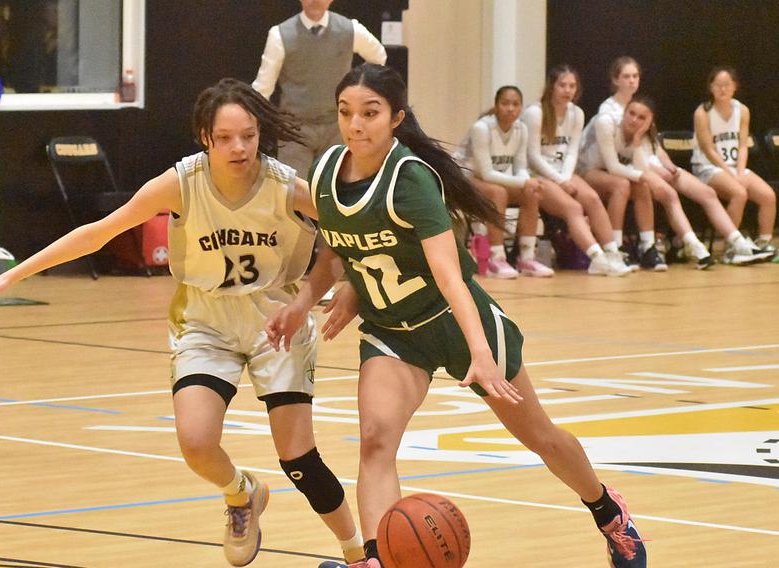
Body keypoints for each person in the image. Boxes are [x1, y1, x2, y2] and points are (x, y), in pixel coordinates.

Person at [0, 78, 365, 567]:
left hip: (278, 321)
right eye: (226, 137)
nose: (239, 147)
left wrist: (343, 287)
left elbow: (349, 236)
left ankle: (358, 555)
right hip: (206, 322)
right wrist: (13, 275)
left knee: (299, 460)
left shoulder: (286, 186)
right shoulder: (181, 183)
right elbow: (97, 234)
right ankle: (241, 493)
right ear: (204, 137)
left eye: (248, 135)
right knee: (195, 442)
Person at [266, 63, 648, 568]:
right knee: (376, 442)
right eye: (346, 112)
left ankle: (607, 511)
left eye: (370, 113)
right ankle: (375, 559)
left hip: (453, 320)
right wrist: (301, 305)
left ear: (397, 118)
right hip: (394, 332)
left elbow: (448, 274)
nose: (356, 124)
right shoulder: (326, 172)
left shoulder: (412, 180)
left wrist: (481, 354)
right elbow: (336, 253)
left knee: (541, 438)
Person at [581, 95, 766, 269]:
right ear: (624, 112)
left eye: (641, 117)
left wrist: (656, 161)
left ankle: (720, 243)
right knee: (631, 186)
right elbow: (619, 167)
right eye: (631, 114)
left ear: (649, 122)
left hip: (631, 171)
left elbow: (643, 163)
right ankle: (617, 249)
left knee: (697, 192)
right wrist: (646, 175)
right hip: (591, 170)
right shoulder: (607, 122)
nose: (634, 120)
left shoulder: (644, 136)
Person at [252, 0, 387, 177]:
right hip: (294, 131)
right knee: (295, 195)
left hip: (337, 127)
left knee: (336, 192)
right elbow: (263, 89)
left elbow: (379, 57)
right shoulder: (280, 35)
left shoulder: (350, 29)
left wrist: (357, 93)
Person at [522, 64, 632, 276]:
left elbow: (572, 151)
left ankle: (613, 254)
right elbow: (533, 157)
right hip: (537, 174)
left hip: (563, 172)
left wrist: (565, 178)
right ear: (552, 86)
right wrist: (560, 181)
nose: (568, 90)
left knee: (592, 199)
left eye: (572, 86)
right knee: (573, 208)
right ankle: (597, 258)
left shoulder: (577, 113)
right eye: (562, 85)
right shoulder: (535, 113)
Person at [455, 86, 555, 278]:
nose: (510, 108)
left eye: (515, 104)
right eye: (505, 103)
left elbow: (520, 168)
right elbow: (486, 173)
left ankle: (526, 257)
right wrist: (524, 182)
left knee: (531, 192)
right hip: (464, 178)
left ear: (521, 108)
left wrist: (529, 182)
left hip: (493, 179)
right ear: (496, 105)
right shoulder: (482, 128)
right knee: (498, 192)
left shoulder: (521, 129)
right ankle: (496, 257)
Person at [692, 66, 777, 260]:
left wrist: (739, 171)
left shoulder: (742, 110)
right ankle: (732, 248)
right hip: (707, 167)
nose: (722, 89)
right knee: (739, 193)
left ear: (734, 87)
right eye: (718, 85)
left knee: (768, 196)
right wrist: (729, 173)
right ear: (710, 87)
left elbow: (742, 145)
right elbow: (708, 149)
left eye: (727, 85)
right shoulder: (703, 112)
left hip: (733, 166)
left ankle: (763, 244)